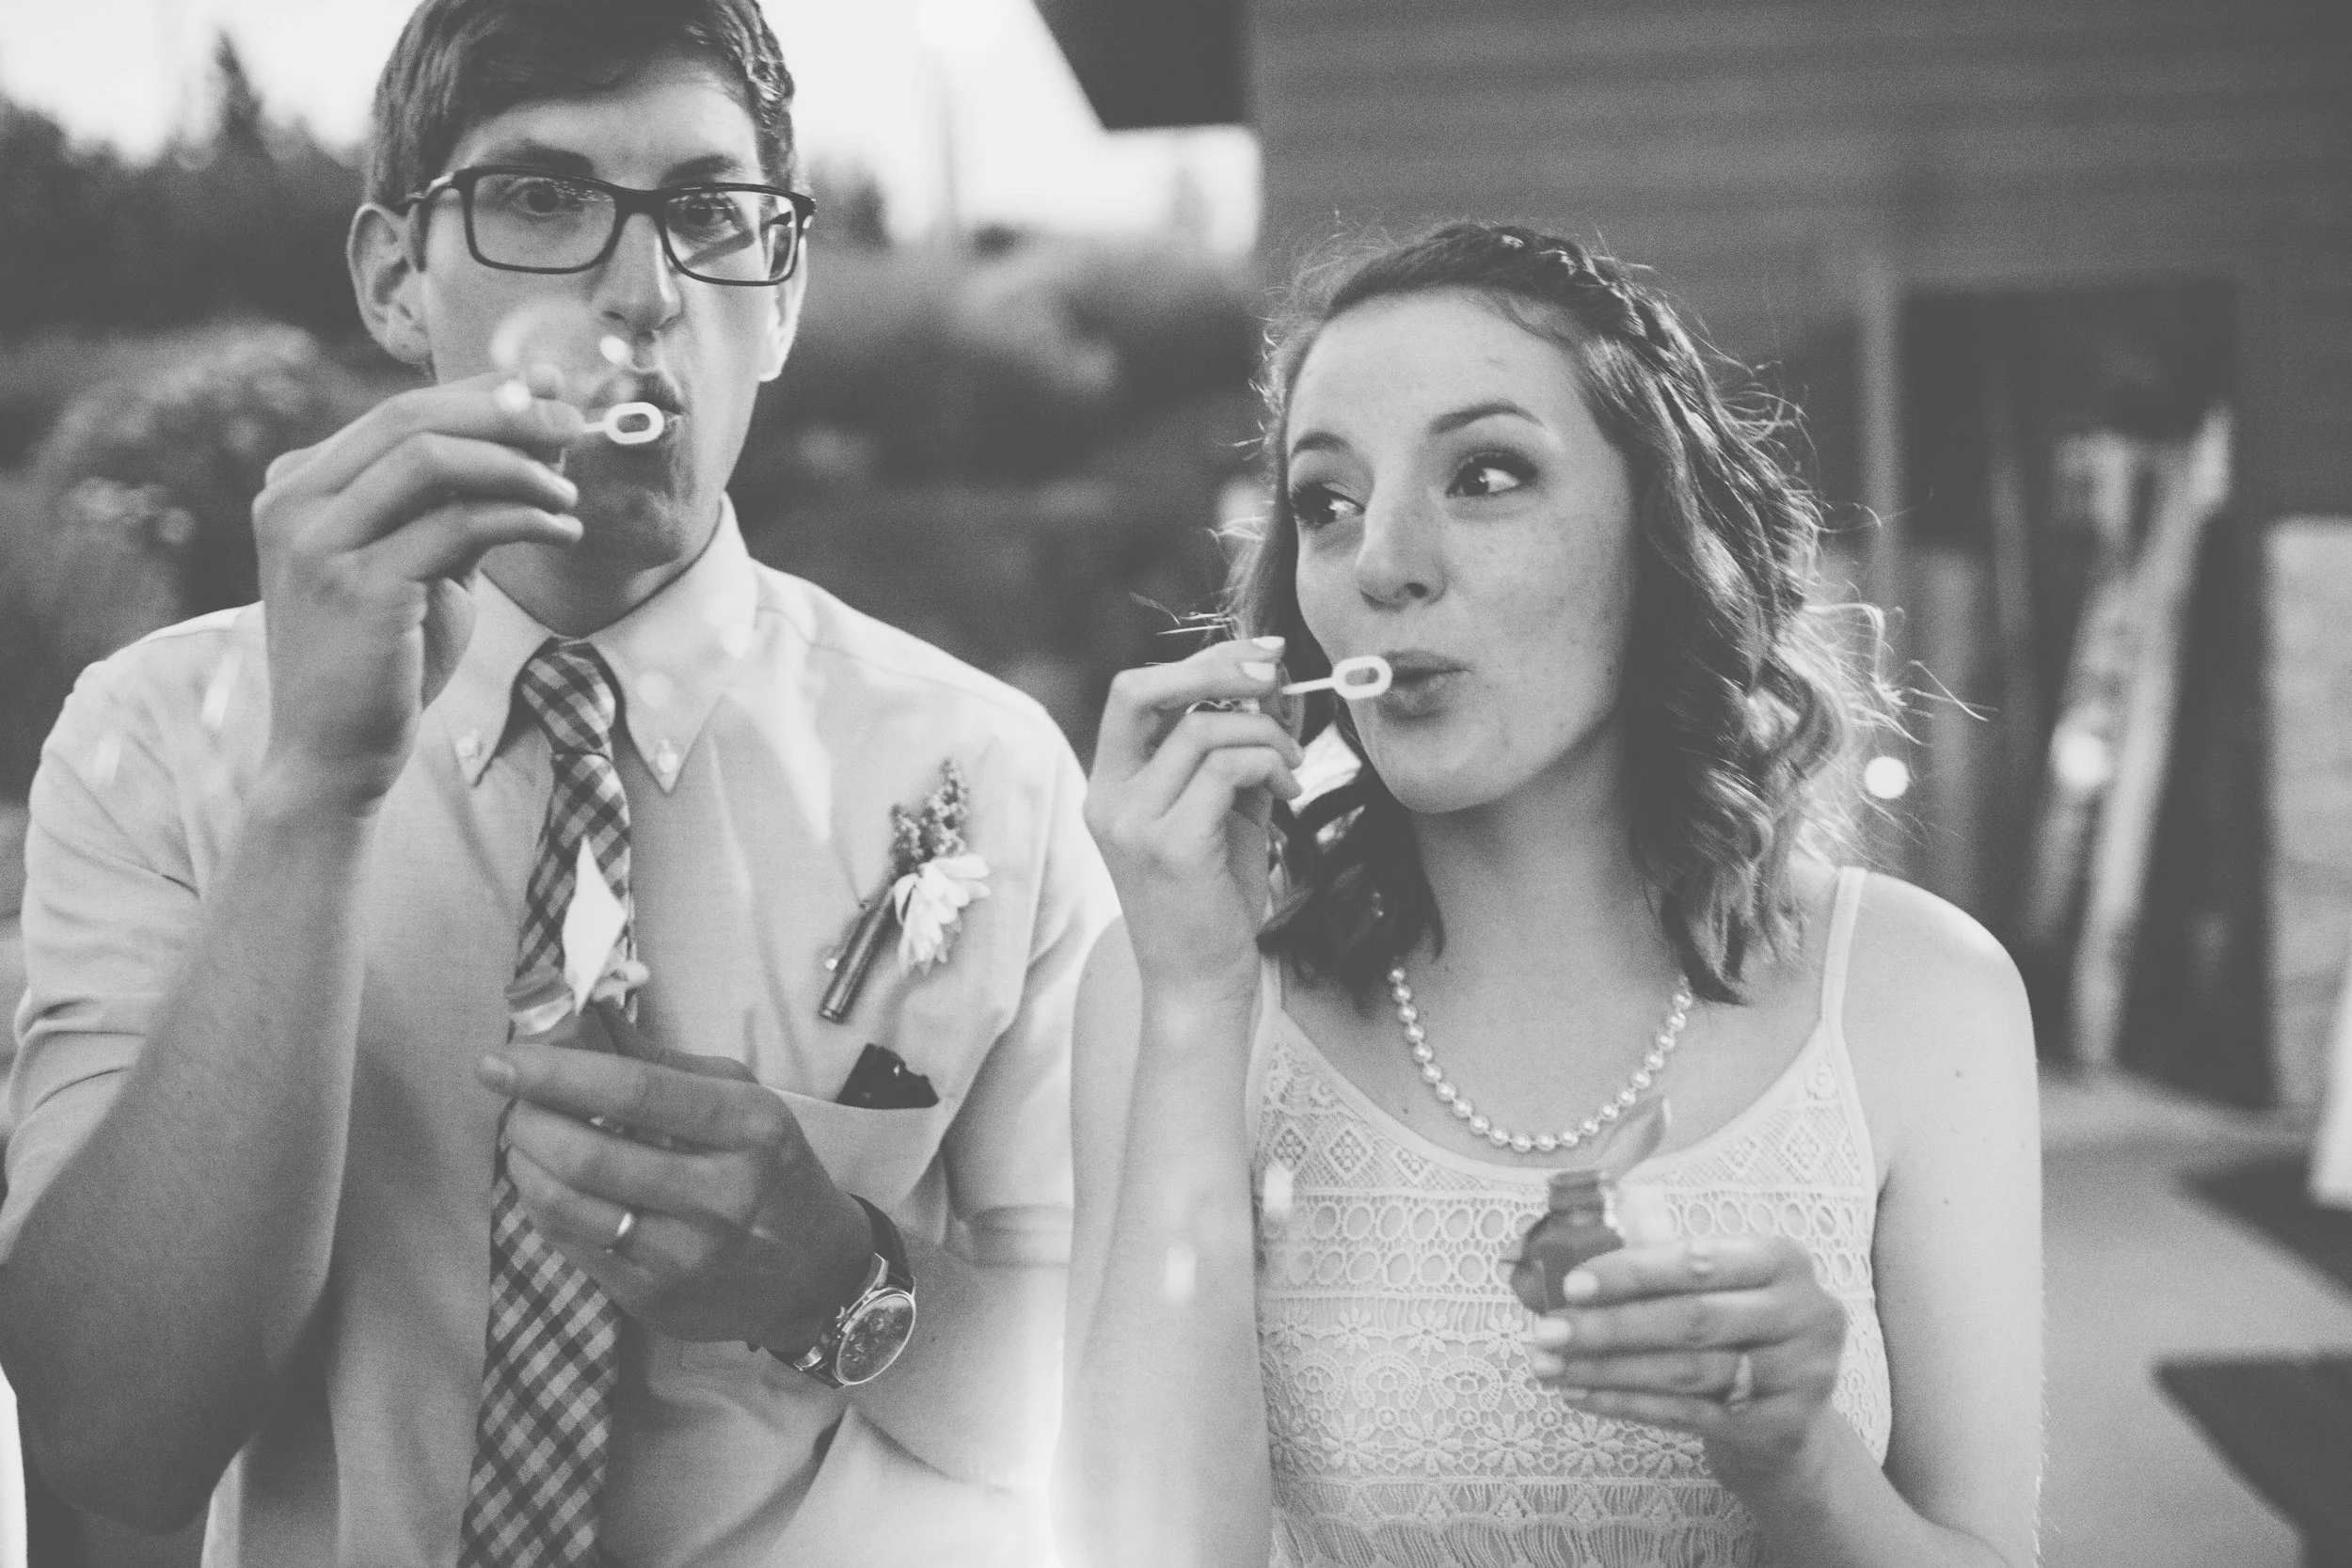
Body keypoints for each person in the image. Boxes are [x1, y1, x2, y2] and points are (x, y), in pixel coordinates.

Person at [0, 4, 1113, 1563]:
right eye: (540, 199)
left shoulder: (983, 776)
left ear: (780, 295)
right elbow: (105, 1442)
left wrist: (838, 1279)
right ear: (397, 277)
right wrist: (315, 793)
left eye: (712, 216)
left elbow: (1120, 1408)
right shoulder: (166, 734)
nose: (644, 292)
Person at [1063, 224, 2042, 1567]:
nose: (1379, 561)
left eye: (1484, 474)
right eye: (1325, 501)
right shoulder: (1174, 980)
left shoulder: (1926, 999)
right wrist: (1192, 1002)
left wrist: (1801, 1465)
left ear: (1660, 534)